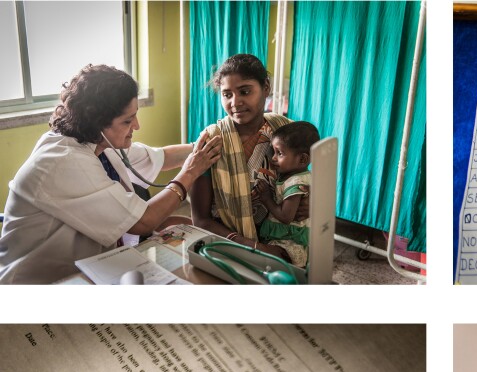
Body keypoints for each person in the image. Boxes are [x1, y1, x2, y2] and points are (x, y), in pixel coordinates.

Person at [0, 64, 222, 284]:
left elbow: (162, 157)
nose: (137, 125)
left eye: (135, 116)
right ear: (96, 120)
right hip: (38, 284)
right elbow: (144, 222)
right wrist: (191, 172)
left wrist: (205, 145)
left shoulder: (97, 143)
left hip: (87, 271)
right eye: (127, 120)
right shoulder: (63, 161)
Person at [190, 54, 309, 261]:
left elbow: (301, 180)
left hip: (279, 241)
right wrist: (254, 247)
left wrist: (307, 202)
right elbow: (200, 219)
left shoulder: (285, 132)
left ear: (266, 88)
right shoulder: (211, 142)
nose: (235, 102)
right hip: (227, 243)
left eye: (245, 91)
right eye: (227, 94)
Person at [252, 121, 319, 268]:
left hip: (288, 244)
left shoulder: (296, 182)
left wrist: (266, 198)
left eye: (279, 153)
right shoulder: (298, 176)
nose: (273, 158)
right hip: (286, 240)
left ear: (302, 159)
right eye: (273, 152)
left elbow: (286, 217)